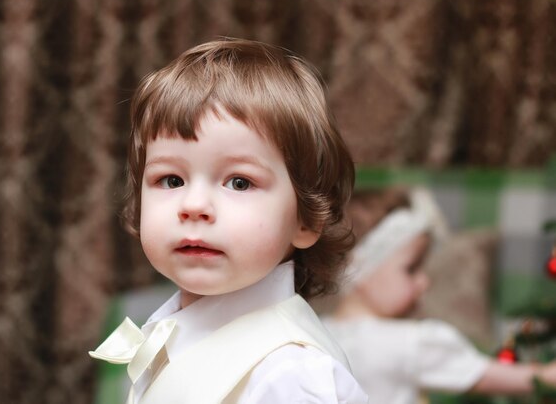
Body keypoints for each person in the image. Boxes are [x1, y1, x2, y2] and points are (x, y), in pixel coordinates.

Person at [88, 38, 368, 404]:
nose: (194, 205)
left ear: (306, 218)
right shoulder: (179, 334)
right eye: (171, 180)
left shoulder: (290, 376)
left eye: (239, 182)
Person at [322, 187, 556, 404]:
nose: (424, 282)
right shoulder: (410, 342)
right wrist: (545, 375)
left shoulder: (316, 332)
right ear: (360, 269)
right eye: (411, 269)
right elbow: (484, 377)